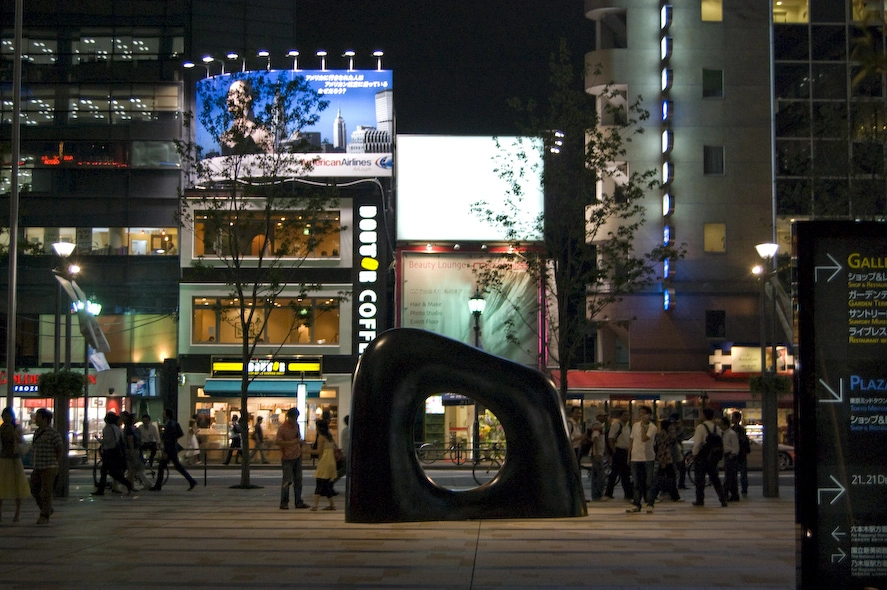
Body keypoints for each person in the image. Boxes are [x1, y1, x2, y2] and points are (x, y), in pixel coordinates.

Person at [220, 78, 273, 155]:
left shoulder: (262, 133)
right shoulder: (225, 137)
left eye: (234, 93)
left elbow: (271, 163)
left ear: (248, 98)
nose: (229, 99)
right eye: (229, 95)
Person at [29, 408, 63, 524]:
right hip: (38, 466)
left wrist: (55, 463)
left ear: (44, 418)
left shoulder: (53, 433)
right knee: (34, 489)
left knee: (46, 491)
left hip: (49, 466)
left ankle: (44, 515)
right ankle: (47, 509)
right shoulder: (37, 432)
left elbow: (60, 449)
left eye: (37, 417)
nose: (35, 419)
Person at [150, 408, 197, 491]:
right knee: (175, 467)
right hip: (172, 449)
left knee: (163, 467)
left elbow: (168, 439)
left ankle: (158, 485)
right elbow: (180, 434)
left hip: (169, 450)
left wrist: (165, 451)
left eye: (164, 413)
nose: (162, 414)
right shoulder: (174, 423)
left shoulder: (169, 425)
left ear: (167, 415)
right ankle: (191, 481)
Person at [691, 408, 727, 507]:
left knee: (700, 479)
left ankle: (700, 500)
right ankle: (722, 498)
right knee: (715, 478)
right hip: (713, 457)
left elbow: (697, 443)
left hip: (702, 456)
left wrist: (694, 454)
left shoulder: (701, 427)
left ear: (704, 416)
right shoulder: (717, 428)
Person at [0, 407, 31, 523]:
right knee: (1, 486)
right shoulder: (1, 428)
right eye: (4, 416)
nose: (6, 418)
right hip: (3, 459)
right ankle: (0, 513)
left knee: (17, 486)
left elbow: (21, 442)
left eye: (8, 416)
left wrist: (13, 433)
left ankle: (17, 513)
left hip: (14, 459)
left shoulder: (16, 428)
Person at [93, 411, 134, 496]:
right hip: (115, 452)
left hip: (109, 452)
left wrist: (98, 439)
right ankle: (102, 489)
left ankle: (126, 483)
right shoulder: (116, 427)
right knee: (108, 471)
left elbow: (107, 441)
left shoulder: (108, 428)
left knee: (109, 472)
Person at [626, 406, 657, 513]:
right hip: (635, 457)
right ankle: (636, 503)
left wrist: (644, 426)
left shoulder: (652, 427)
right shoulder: (635, 426)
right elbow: (631, 440)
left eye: (644, 413)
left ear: (649, 415)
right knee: (636, 482)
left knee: (648, 482)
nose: (641, 415)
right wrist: (629, 456)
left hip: (647, 458)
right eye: (640, 413)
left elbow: (644, 439)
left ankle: (650, 503)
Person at [276, 407, 309, 509]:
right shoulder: (282, 428)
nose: (295, 420)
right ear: (288, 417)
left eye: (296, 418)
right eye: (293, 418)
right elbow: (278, 442)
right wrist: (293, 442)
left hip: (297, 455)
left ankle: (298, 501)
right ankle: (284, 502)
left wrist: (300, 443)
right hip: (287, 457)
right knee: (287, 480)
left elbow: (297, 438)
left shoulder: (296, 426)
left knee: (298, 480)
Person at [603, 409, 633, 501]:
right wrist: (614, 451)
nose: (627, 417)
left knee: (625, 473)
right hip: (618, 451)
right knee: (615, 473)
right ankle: (608, 493)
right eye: (625, 415)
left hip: (625, 451)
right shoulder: (617, 425)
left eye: (628, 415)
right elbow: (610, 438)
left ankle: (628, 494)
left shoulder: (627, 427)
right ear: (620, 416)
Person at [310, 419, 338, 511]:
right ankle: (332, 505)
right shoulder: (329, 436)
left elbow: (319, 451)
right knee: (326, 485)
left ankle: (315, 505)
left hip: (324, 462)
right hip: (331, 462)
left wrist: (306, 451)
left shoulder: (321, 437)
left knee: (319, 483)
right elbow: (334, 447)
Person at [653, 416, 682, 503]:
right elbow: (662, 448)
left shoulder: (664, 433)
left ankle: (675, 496)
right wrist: (662, 461)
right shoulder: (663, 434)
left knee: (669, 477)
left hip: (667, 458)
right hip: (665, 459)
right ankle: (655, 495)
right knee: (664, 478)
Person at [122, 411, 152, 490]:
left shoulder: (134, 427)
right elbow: (130, 439)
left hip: (136, 449)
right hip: (132, 449)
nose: (137, 419)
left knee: (134, 468)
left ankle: (128, 484)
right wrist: (132, 450)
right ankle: (130, 484)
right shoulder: (129, 428)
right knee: (134, 468)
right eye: (135, 417)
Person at [587, 412, 607, 502]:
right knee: (600, 475)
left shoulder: (597, 425)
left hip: (597, 453)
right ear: (598, 416)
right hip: (597, 454)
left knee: (596, 475)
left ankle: (596, 495)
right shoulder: (597, 425)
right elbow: (595, 438)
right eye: (603, 416)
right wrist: (597, 453)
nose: (605, 418)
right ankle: (598, 495)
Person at [721, 417, 741, 502]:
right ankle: (734, 494)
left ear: (725, 425)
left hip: (730, 456)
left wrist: (732, 455)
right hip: (727, 455)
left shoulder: (731, 434)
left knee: (730, 476)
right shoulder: (724, 433)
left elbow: (736, 446)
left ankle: (727, 494)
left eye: (721, 424)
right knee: (730, 476)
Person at [731, 411, 750, 497]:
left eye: (733, 417)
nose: (732, 419)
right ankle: (743, 489)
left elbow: (740, 441)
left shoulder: (736, 429)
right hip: (741, 453)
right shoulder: (741, 429)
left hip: (738, 453)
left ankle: (740, 489)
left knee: (736, 473)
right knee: (742, 473)